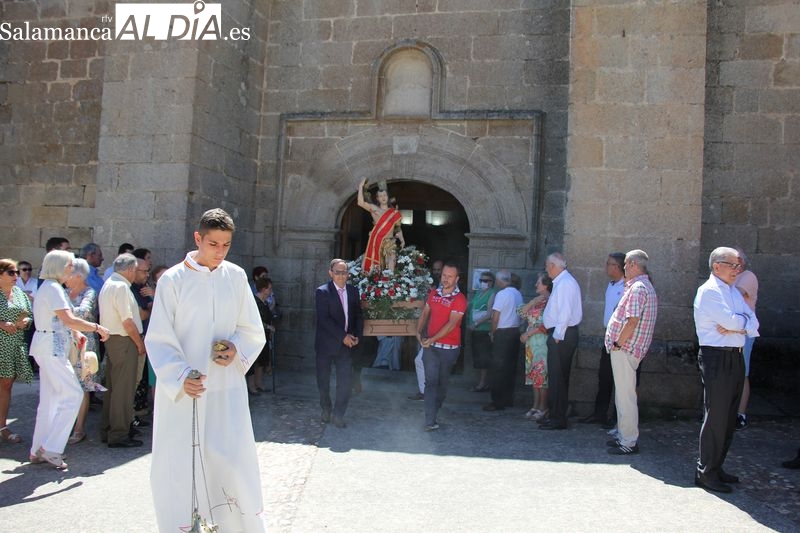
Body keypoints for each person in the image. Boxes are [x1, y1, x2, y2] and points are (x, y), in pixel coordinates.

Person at [145, 208, 267, 532]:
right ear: (198, 238)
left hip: (226, 388)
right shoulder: (172, 280)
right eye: (213, 243)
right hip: (185, 392)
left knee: (229, 459)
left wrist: (236, 348)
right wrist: (181, 375)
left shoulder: (237, 276)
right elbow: (158, 337)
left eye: (226, 245)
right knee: (180, 461)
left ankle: (232, 525)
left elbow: (252, 328)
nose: (220, 251)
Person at [29, 250, 110, 469]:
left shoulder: (50, 287)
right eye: (68, 266)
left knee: (50, 401)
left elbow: (63, 320)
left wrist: (76, 333)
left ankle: (38, 448)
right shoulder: (54, 288)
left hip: (48, 346)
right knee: (73, 394)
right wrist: (95, 327)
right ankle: (51, 448)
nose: (71, 270)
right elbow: (69, 318)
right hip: (52, 348)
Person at [693, 246, 759, 493]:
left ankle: (716, 465)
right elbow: (733, 321)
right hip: (716, 357)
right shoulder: (709, 291)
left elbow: (753, 323)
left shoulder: (731, 291)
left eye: (739, 265)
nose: (737, 270)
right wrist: (739, 324)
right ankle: (705, 471)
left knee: (729, 417)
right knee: (717, 416)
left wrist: (738, 326)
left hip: (736, 356)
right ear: (716, 265)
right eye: (733, 265)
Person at [604, 250, 658, 455]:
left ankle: (628, 441)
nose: (623, 267)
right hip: (629, 349)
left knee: (625, 397)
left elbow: (632, 320)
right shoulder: (645, 287)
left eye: (626, 264)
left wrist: (618, 342)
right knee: (623, 395)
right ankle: (624, 436)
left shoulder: (637, 288)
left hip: (626, 349)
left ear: (634, 264)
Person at [98, 253, 146, 449]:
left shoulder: (109, 284)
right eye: (135, 270)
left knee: (114, 387)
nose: (136, 274)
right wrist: (139, 344)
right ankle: (119, 433)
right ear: (129, 269)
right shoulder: (121, 287)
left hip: (113, 339)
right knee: (123, 390)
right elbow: (128, 322)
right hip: (125, 341)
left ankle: (109, 428)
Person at [416, 262, 467, 431]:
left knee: (441, 385)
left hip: (449, 349)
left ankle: (433, 412)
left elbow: (452, 325)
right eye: (444, 275)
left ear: (457, 279)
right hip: (431, 348)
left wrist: (432, 339)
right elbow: (425, 313)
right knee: (430, 382)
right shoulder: (434, 293)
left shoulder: (460, 299)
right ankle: (429, 420)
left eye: (449, 276)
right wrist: (418, 331)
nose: (445, 279)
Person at [315, 258, 363, 428]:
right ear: (331, 273)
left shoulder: (353, 291)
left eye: (344, 272)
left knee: (345, 382)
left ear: (348, 274)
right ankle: (326, 408)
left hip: (346, 346)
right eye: (338, 272)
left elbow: (358, 314)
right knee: (323, 381)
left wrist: (356, 335)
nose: (341, 276)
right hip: (326, 345)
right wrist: (343, 336)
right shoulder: (322, 292)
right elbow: (324, 319)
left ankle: (338, 414)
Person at [581, 253, 626, 426]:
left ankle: (617, 418)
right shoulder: (611, 285)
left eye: (610, 264)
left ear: (618, 267)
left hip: (619, 338)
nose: (606, 267)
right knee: (604, 377)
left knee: (620, 381)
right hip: (608, 335)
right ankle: (599, 414)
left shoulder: (626, 287)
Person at [65, 257, 105, 445]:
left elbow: (82, 313)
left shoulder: (90, 292)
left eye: (70, 272)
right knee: (65, 386)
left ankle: (79, 429)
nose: (66, 276)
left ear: (79, 276)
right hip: (65, 343)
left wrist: (62, 312)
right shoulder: (64, 292)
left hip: (84, 345)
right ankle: (65, 425)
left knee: (83, 387)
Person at [540, 252, 582, 430]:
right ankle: (555, 414)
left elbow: (565, 312)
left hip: (561, 336)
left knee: (558, 378)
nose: (546, 269)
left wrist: (557, 335)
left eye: (547, 266)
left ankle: (558, 418)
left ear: (553, 266)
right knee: (558, 378)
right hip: (561, 334)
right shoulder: (563, 282)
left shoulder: (565, 283)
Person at [0, 259, 34, 444]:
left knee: (6, 386)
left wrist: (25, 322)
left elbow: (27, 314)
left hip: (14, 344)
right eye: (11, 273)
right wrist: (2, 324)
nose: (16, 276)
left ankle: (2, 427)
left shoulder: (19, 292)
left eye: (16, 272)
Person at [483, 270, 523, 412]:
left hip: (503, 332)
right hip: (515, 331)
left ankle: (497, 401)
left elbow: (495, 317)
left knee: (498, 368)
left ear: (500, 281)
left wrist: (493, 333)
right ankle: (508, 398)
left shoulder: (502, 294)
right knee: (510, 368)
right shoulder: (518, 294)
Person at [518, 272, 551, 421]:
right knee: (533, 375)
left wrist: (529, 333)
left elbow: (548, 324)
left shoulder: (551, 301)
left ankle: (543, 407)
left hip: (542, 342)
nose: (536, 285)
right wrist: (533, 302)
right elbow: (521, 313)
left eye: (539, 282)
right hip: (532, 344)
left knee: (541, 375)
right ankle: (535, 405)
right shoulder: (537, 301)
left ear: (546, 285)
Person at [357, 177, 405, 273]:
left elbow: (398, 228)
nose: (383, 197)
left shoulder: (394, 213)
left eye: (385, 195)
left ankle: (389, 285)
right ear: (377, 198)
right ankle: (375, 283)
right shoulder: (375, 209)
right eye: (380, 196)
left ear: (388, 197)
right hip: (376, 241)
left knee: (391, 262)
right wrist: (360, 186)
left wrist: (402, 240)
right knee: (375, 268)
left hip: (389, 242)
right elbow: (360, 203)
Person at [734, 250, 758, 430]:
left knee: (743, 372)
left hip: (743, 332)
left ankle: (740, 414)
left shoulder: (748, 277)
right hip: (730, 332)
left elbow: (734, 296)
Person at [467, 270, 496, 392]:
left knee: (484, 357)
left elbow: (490, 313)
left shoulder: (492, 293)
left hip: (484, 329)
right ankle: (482, 382)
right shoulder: (478, 293)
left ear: (491, 282)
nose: (483, 283)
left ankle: (483, 383)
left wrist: (476, 323)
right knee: (478, 357)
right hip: (475, 329)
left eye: (486, 281)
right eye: (481, 280)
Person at [248, 277, 276, 395]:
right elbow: (254, 320)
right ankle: (251, 386)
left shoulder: (265, 302)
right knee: (253, 363)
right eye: (269, 288)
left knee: (261, 362)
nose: (270, 290)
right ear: (263, 289)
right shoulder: (253, 301)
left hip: (264, 337)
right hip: (253, 336)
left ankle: (258, 384)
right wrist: (268, 327)